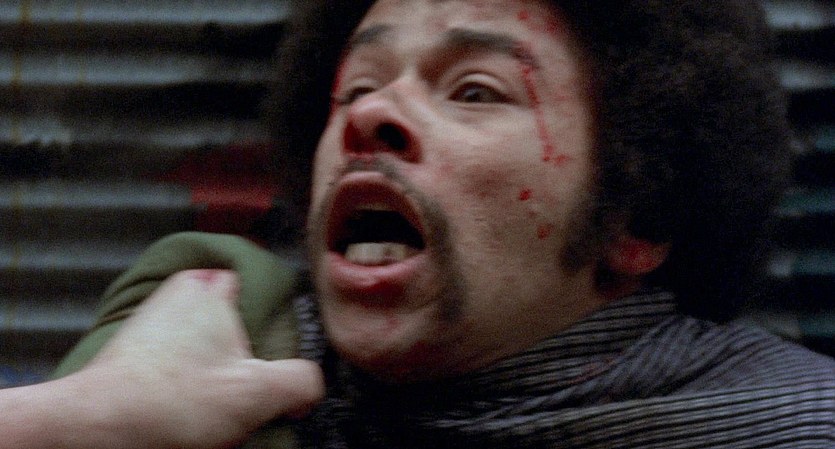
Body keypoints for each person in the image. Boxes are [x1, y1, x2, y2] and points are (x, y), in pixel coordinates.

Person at [53, 0, 835, 448]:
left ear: (640, 214)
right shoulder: (212, 352)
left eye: (473, 91)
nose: (369, 116)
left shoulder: (796, 426)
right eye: (354, 87)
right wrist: (83, 416)